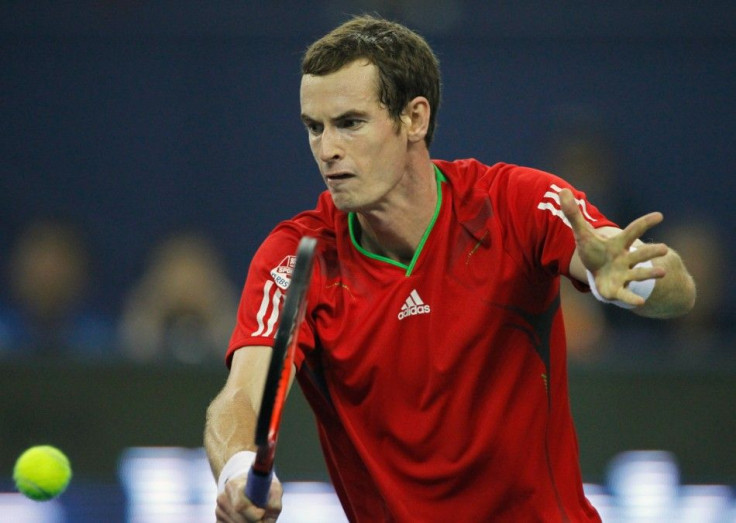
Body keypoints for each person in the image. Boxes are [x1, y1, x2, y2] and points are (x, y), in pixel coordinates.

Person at [204, 15, 696, 522]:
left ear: (415, 118)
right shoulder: (295, 255)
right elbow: (241, 395)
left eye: (350, 123)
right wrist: (238, 472)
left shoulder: (515, 203)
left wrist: (627, 277)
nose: (327, 149)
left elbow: (678, 293)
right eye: (315, 127)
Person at [117, 231, 239, 365]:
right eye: (178, 273)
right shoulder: (151, 308)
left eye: (194, 272)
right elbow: (134, 348)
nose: (186, 284)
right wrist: (151, 308)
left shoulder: (219, 307)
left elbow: (237, 355)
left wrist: (218, 308)